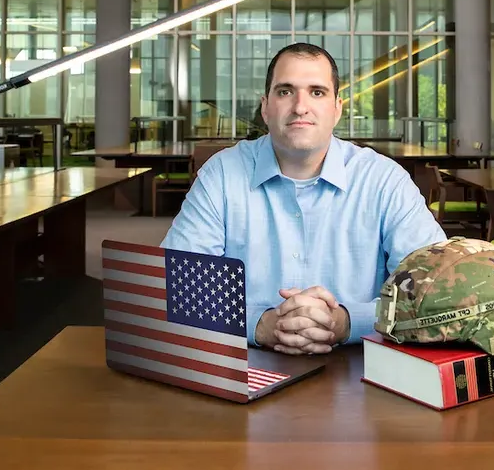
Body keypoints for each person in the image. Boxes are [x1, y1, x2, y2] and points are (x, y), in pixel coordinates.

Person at [160, 42, 446, 355]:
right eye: (285, 91)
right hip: (241, 367)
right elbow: (175, 285)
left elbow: (435, 291)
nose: (300, 106)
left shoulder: (384, 180)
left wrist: (346, 322)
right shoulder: (222, 175)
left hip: (365, 370)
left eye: (317, 92)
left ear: (338, 108)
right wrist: (260, 324)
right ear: (265, 107)